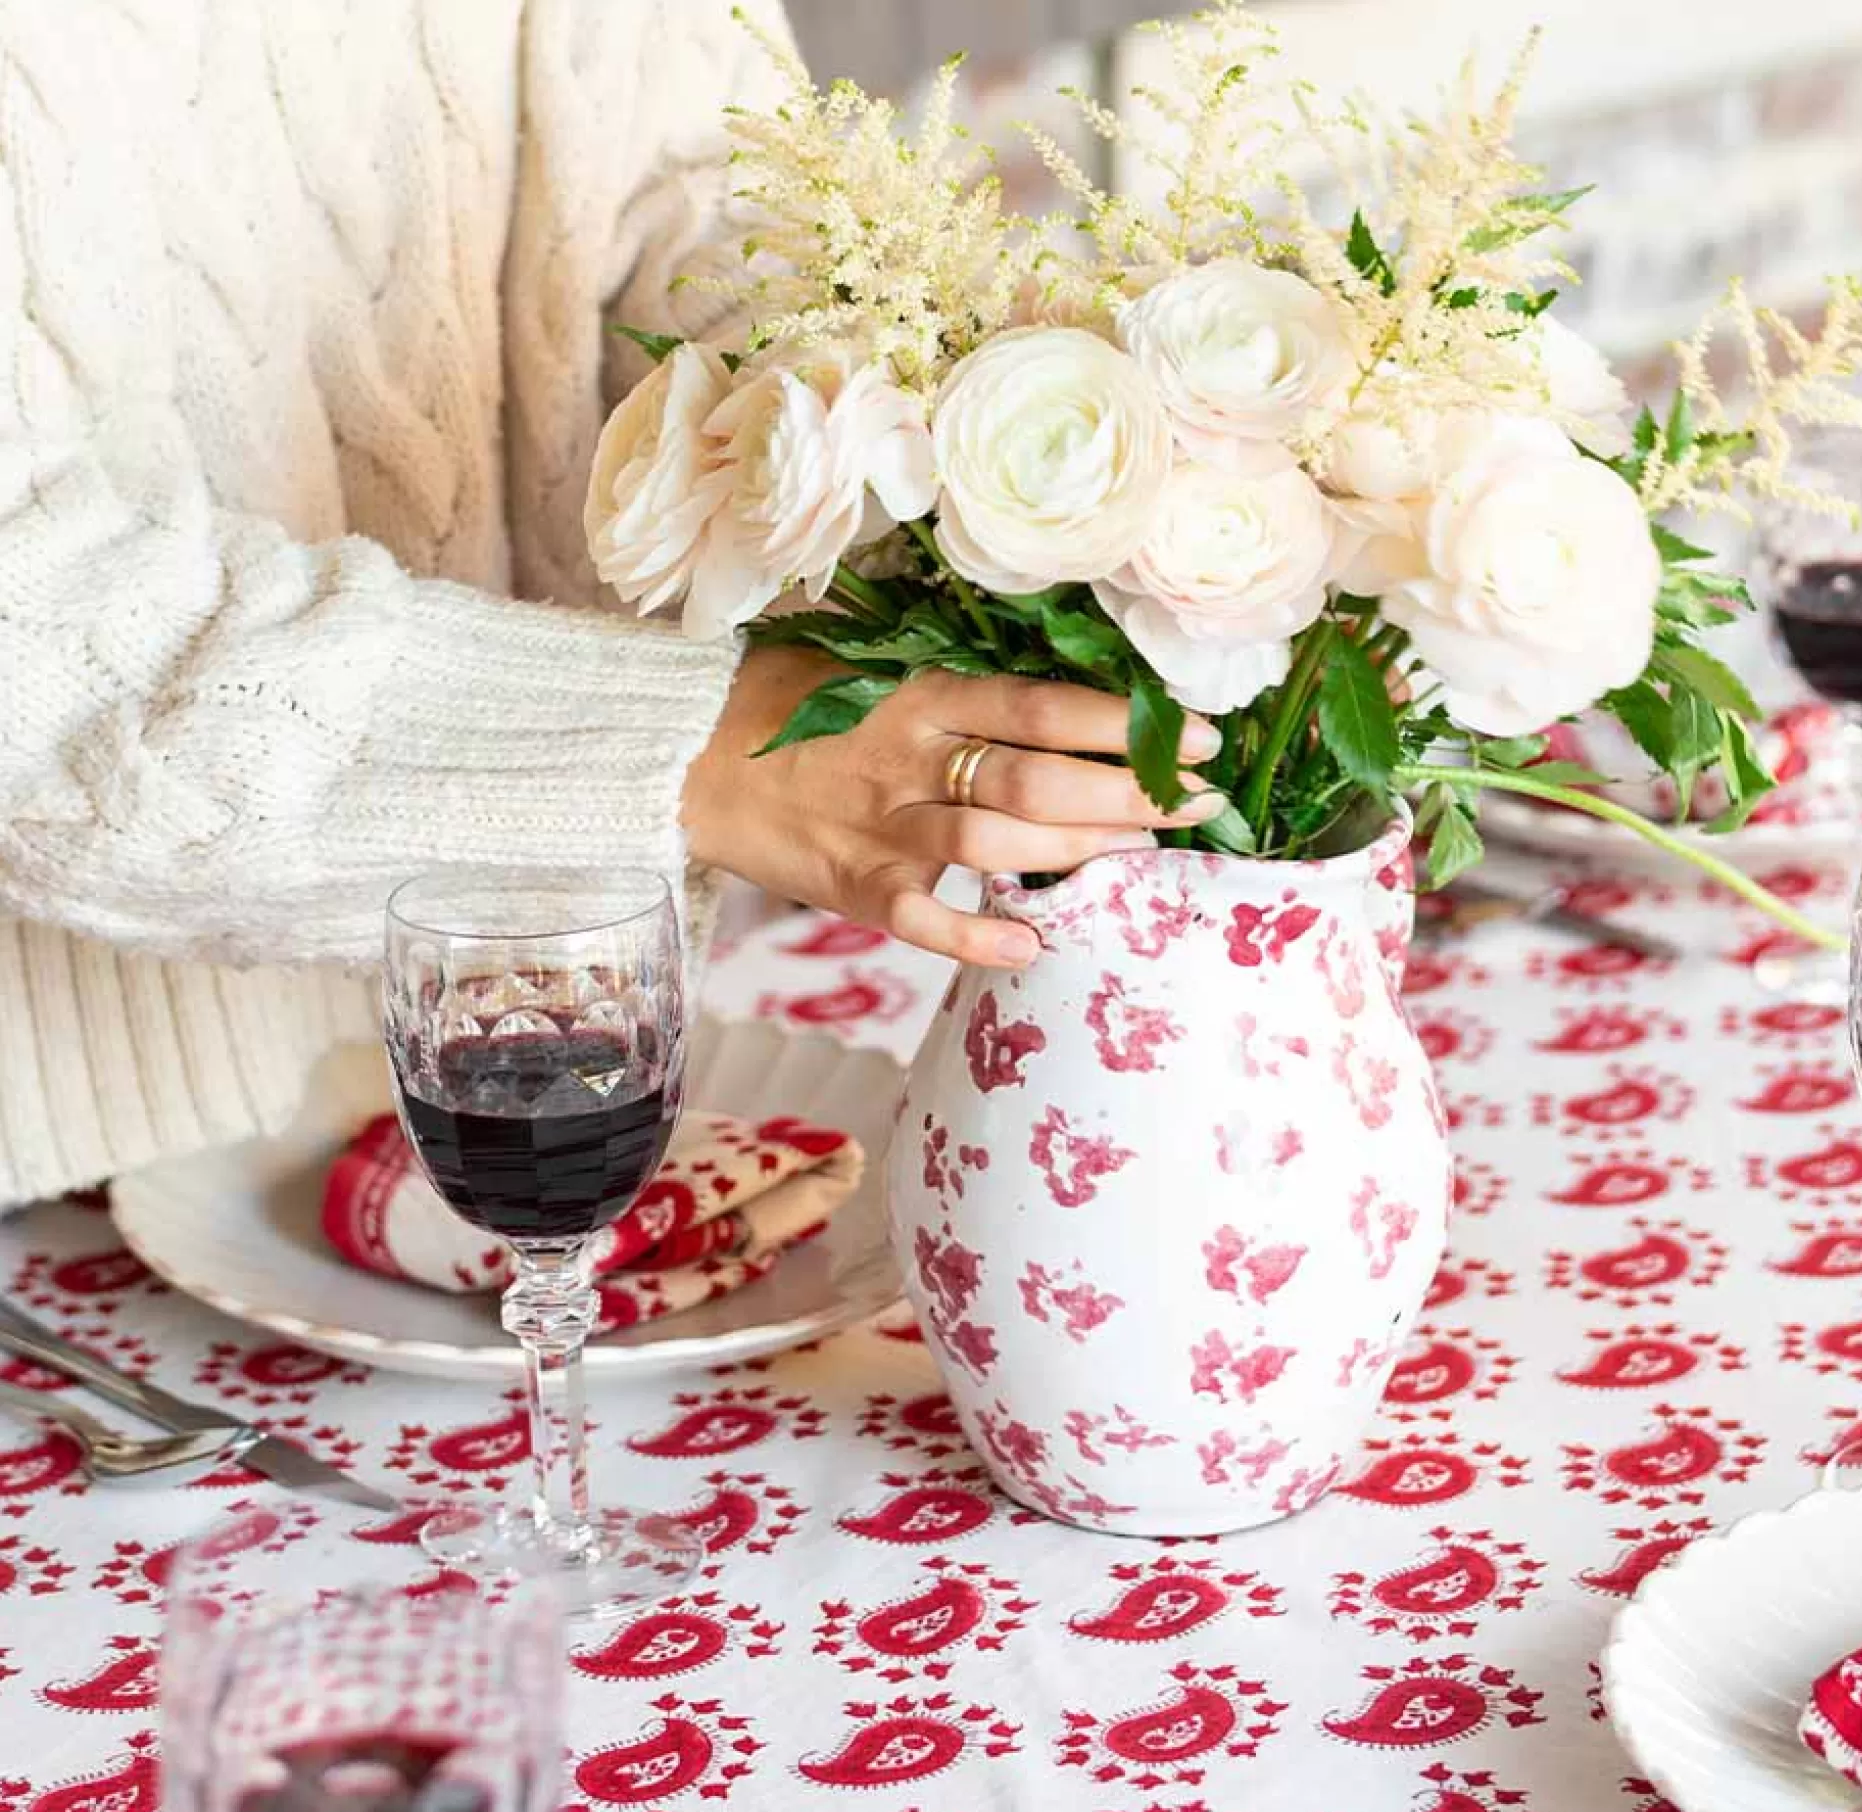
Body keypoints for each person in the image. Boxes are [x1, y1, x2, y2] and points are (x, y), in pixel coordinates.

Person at [0, 0, 1221, 1211]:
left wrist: (1053, 507)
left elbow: (723, 217)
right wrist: (693, 752)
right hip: (60, 1168)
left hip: (570, 1044)